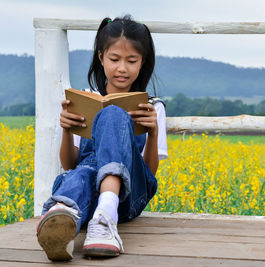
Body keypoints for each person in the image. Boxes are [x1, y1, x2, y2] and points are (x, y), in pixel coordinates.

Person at [36, 15, 168, 261]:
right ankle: (65, 224)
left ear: (142, 62)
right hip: (89, 190)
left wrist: (153, 132)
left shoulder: (151, 107)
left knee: (112, 116)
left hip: (128, 199)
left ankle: (94, 212)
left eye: (131, 61)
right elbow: (69, 164)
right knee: (84, 171)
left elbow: (149, 172)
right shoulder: (84, 100)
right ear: (101, 58)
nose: (122, 68)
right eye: (114, 59)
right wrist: (66, 130)